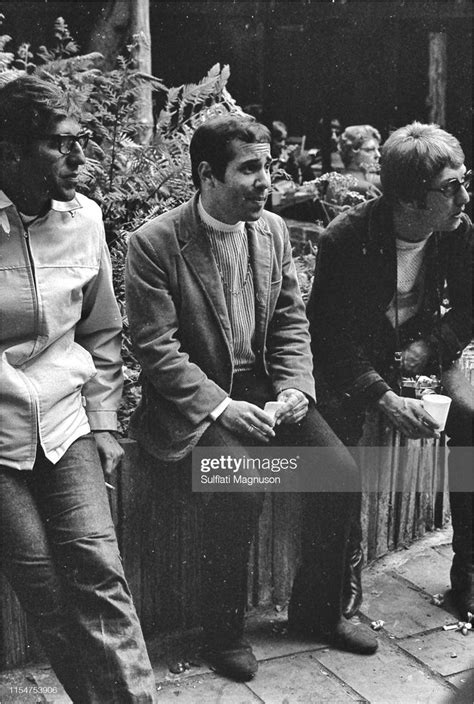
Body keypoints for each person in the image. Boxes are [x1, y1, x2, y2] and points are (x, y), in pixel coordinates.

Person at [125, 113, 377, 684]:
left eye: (268, 165)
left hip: (268, 392)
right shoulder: (154, 244)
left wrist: (295, 388)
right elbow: (156, 350)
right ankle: (223, 633)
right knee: (235, 481)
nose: (267, 179)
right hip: (197, 402)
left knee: (338, 473)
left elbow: (290, 321)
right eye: (251, 168)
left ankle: (318, 614)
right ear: (207, 175)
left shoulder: (272, 231)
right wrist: (221, 406)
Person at [0, 75, 156, 702]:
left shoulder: (84, 219)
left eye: (81, 141)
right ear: (11, 150)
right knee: (41, 582)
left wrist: (105, 421)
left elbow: (102, 331)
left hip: (65, 426)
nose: (80, 158)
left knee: (99, 573)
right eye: (61, 144)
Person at [307, 122, 473, 622]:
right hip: (358, 362)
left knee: (471, 419)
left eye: (465, 180)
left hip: (425, 353)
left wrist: (433, 345)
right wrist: (382, 396)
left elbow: (470, 307)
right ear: (408, 198)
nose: (464, 196)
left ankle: (467, 571)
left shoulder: (459, 232)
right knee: (339, 430)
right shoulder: (346, 238)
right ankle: (345, 572)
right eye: (450, 187)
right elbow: (329, 337)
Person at [337, 124, 382, 197]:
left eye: (377, 149)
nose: (378, 155)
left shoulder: (340, 179)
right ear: (352, 153)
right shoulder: (366, 188)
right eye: (370, 150)